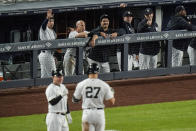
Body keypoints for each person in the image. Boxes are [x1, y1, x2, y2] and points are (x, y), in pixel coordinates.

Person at [72, 63, 115, 131]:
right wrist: (112, 93)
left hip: (87, 114)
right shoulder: (104, 85)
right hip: (99, 114)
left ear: (88, 71)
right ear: (98, 71)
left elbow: (75, 100)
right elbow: (112, 101)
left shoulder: (81, 84)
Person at [38, 9, 56, 78]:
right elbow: (43, 26)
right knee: (53, 76)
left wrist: (53, 56)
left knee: (44, 77)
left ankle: (43, 88)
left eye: (52, 21)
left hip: (48, 55)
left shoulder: (52, 31)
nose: (51, 22)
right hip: (46, 55)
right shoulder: (44, 29)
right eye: (50, 21)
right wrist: (47, 18)